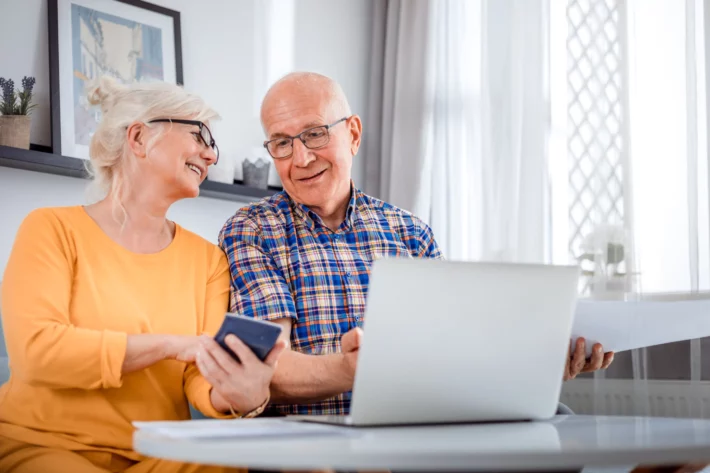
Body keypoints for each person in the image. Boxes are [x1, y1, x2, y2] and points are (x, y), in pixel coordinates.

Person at [218, 71, 614, 417]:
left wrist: (536, 364)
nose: (300, 158)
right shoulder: (251, 230)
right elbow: (268, 367)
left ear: (352, 133)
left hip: (418, 427)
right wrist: (359, 368)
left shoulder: (410, 232)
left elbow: (455, 350)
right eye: (282, 143)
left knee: (560, 422)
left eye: (315, 134)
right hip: (315, 442)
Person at [0, 77, 286, 473]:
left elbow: (199, 379)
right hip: (44, 446)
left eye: (212, 144)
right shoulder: (50, 229)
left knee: (230, 462)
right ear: (138, 137)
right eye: (199, 135)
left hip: (158, 455)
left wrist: (237, 394)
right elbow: (37, 354)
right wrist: (168, 344)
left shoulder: (207, 261)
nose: (210, 156)